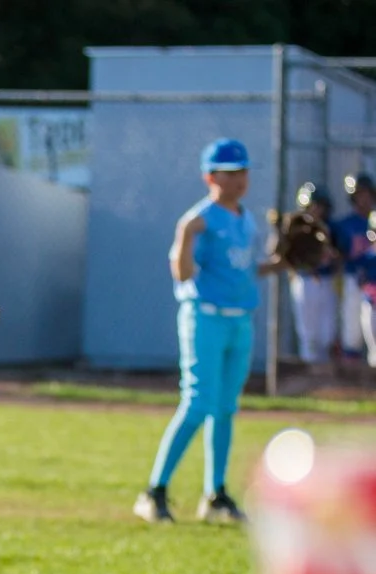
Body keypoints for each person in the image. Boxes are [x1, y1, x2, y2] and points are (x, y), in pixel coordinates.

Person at [133, 139, 287, 526]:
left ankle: (215, 494)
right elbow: (182, 273)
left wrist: (282, 262)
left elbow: (244, 269)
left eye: (242, 172)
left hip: (239, 319)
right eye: (229, 172)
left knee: (225, 409)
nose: (238, 179)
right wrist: (185, 234)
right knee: (198, 403)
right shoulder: (197, 219)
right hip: (204, 317)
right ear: (210, 176)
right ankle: (154, 492)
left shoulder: (244, 218)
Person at [287, 182, 340, 372]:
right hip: (305, 280)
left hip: (326, 281)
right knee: (308, 333)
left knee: (327, 333)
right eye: (312, 206)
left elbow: (339, 257)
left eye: (320, 206)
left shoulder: (331, 228)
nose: (316, 210)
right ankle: (309, 373)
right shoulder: (296, 228)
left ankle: (324, 373)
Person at [333, 173, 376, 369]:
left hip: (372, 282)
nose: (363, 198)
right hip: (352, 278)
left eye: (366, 194)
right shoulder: (344, 224)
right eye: (359, 194)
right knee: (352, 328)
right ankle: (352, 380)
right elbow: (338, 253)